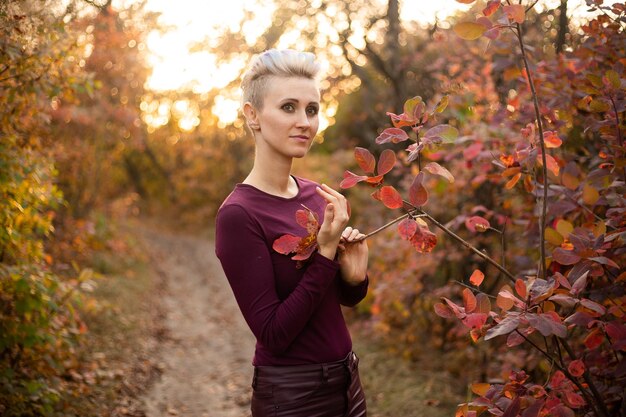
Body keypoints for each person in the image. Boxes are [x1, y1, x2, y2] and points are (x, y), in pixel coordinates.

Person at [215, 49, 369, 417]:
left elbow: (337, 301)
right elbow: (274, 333)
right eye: (288, 107)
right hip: (292, 396)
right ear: (252, 116)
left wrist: (355, 277)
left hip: (347, 381)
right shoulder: (238, 215)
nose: (304, 121)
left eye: (311, 109)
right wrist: (326, 253)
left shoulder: (315, 195)